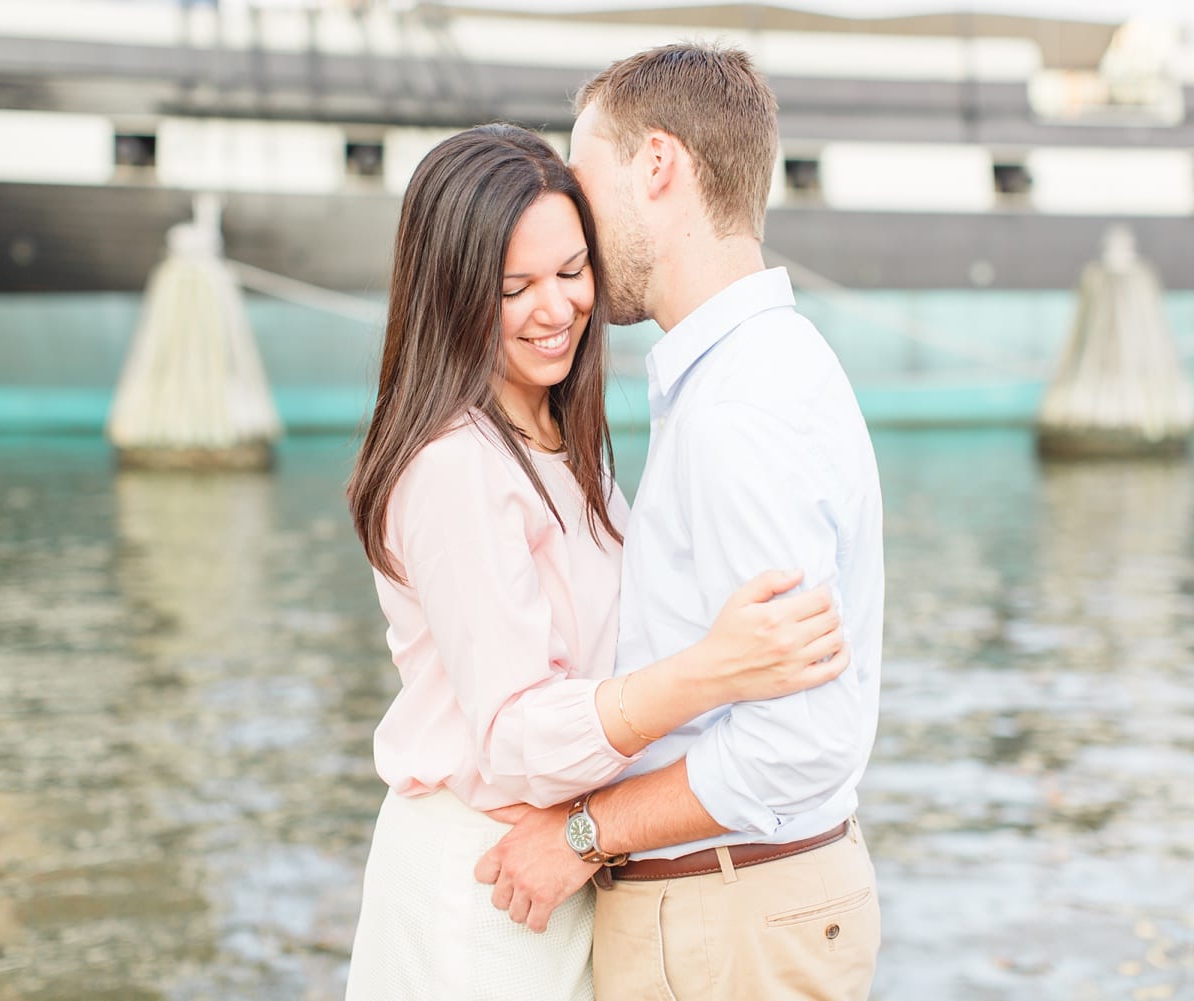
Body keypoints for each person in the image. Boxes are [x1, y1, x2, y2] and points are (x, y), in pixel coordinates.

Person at [342, 123, 849, 1000]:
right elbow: (512, 736)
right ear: (452, 292)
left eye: (573, 272)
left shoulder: (559, 437)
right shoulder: (455, 463)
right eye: (515, 286)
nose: (557, 309)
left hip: (560, 869)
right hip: (483, 879)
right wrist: (710, 672)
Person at [474, 45, 885, 1000]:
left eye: (582, 177)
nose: (569, 214)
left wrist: (584, 834)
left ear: (657, 164)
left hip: (727, 922)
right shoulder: (759, 371)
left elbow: (800, 738)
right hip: (739, 910)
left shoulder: (740, 406)